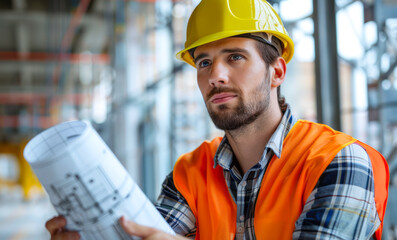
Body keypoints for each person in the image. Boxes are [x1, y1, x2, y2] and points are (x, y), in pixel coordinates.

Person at [45, 0, 389, 239]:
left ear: (277, 71)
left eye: (235, 57)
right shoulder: (190, 173)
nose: (215, 76)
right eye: (204, 63)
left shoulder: (339, 162)